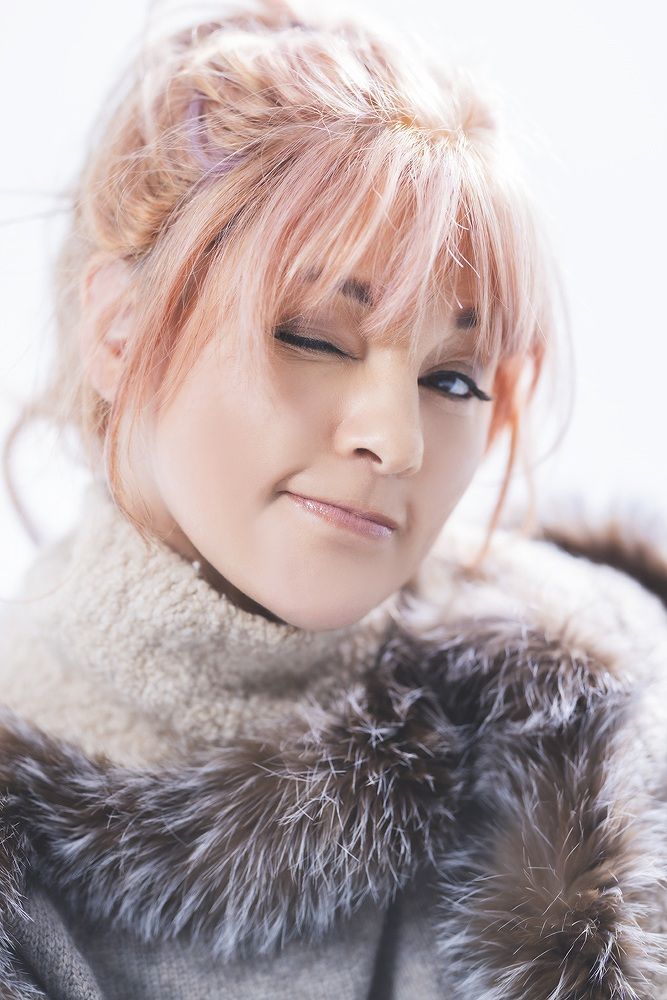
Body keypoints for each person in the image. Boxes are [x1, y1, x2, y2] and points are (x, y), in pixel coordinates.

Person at [0, 1, 666, 997]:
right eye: (314, 336)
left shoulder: (604, 718)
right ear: (120, 329)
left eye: (452, 379)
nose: (396, 441)